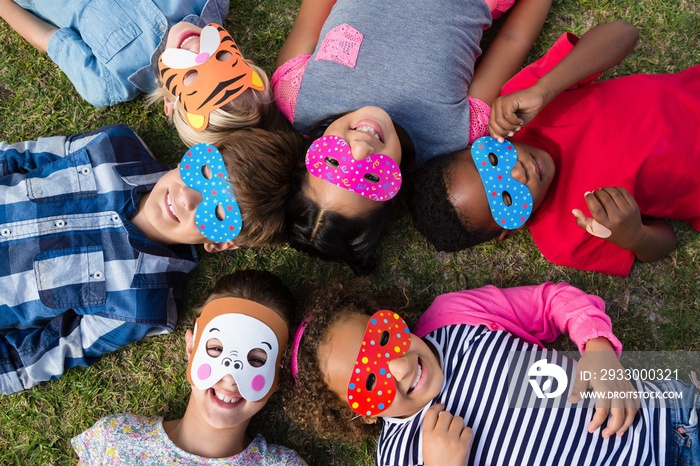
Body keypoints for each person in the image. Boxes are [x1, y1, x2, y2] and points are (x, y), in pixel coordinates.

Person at [0, 124, 301, 394]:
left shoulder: (140, 304)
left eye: (218, 212)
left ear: (221, 243)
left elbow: (42, 354)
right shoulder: (115, 146)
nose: (189, 198)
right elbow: (20, 157)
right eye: (205, 173)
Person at [285, 281, 700, 465]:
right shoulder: (396, 457)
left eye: (384, 337)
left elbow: (554, 301)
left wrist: (598, 348)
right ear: (360, 414)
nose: (399, 365)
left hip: (673, 425)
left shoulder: (454, 318)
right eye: (370, 381)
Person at [276, 0, 552, 273]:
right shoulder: (451, 134)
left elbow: (312, 11)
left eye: (333, 161)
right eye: (370, 176)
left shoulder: (296, 93)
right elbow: (511, 40)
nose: (361, 150)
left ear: (305, 157)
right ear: (392, 194)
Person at [409, 23, 700, 276]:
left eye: (494, 160)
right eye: (507, 197)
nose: (517, 172)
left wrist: (544, 90)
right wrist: (634, 236)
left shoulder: (522, 103)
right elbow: (665, 241)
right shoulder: (563, 240)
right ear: (509, 231)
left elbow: (625, 33)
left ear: (478, 144)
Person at [71, 269, 308, 465]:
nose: (230, 378)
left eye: (257, 360)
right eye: (216, 349)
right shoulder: (117, 439)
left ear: (279, 372)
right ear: (191, 347)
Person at [0, 1, 287, 147]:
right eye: (223, 58)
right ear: (245, 59)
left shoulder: (109, 81)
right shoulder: (209, 4)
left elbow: (48, 36)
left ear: (170, 103)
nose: (198, 47)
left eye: (192, 78)